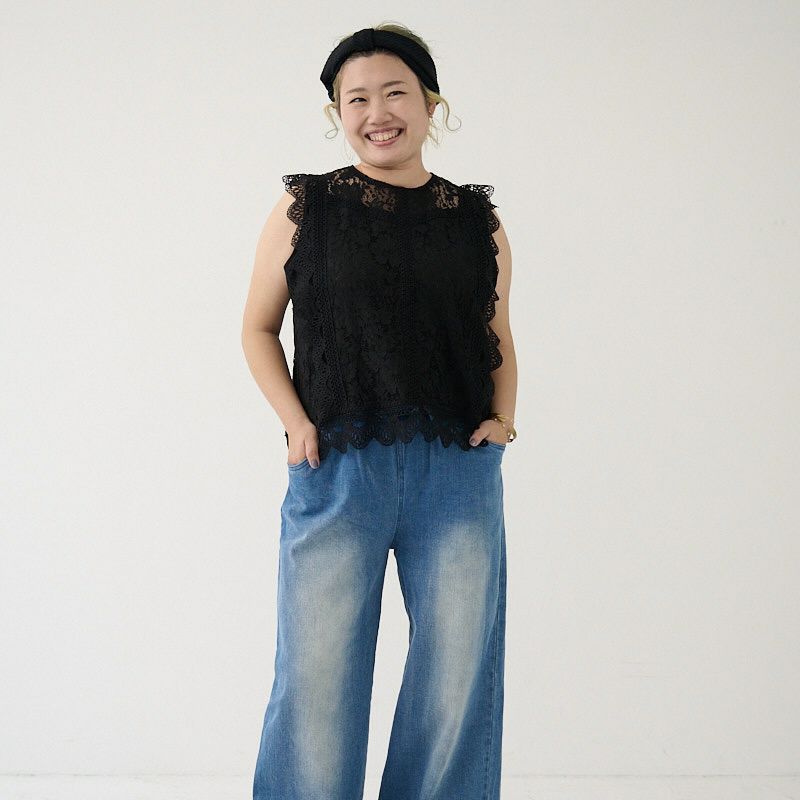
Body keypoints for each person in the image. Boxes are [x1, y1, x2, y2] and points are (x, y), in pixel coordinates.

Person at [241, 22, 518, 800]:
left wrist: (503, 424)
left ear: (430, 103)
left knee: (456, 678)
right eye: (356, 99)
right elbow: (257, 328)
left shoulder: (476, 221)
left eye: (395, 93)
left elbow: (497, 335)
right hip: (336, 465)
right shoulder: (308, 208)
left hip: (457, 472)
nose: (377, 113)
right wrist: (296, 423)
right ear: (339, 113)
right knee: (316, 679)